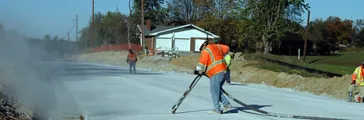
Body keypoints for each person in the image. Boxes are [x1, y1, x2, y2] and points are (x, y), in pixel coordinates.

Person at [194, 38, 233, 114]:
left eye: (200, 48)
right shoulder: (217, 46)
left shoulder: (206, 51)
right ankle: (226, 105)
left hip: (216, 72)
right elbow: (227, 48)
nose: (201, 50)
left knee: (214, 91)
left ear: (204, 45)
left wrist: (197, 70)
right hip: (223, 71)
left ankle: (217, 109)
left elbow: (201, 65)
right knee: (217, 90)